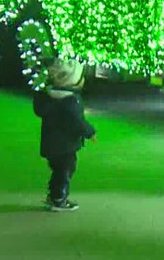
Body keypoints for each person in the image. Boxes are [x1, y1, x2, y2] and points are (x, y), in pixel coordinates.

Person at [33, 59, 96, 212]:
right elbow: (77, 122)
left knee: (58, 170)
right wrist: (90, 132)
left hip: (51, 144)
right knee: (66, 170)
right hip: (65, 145)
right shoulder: (70, 101)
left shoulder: (49, 97)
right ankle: (59, 198)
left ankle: (54, 195)